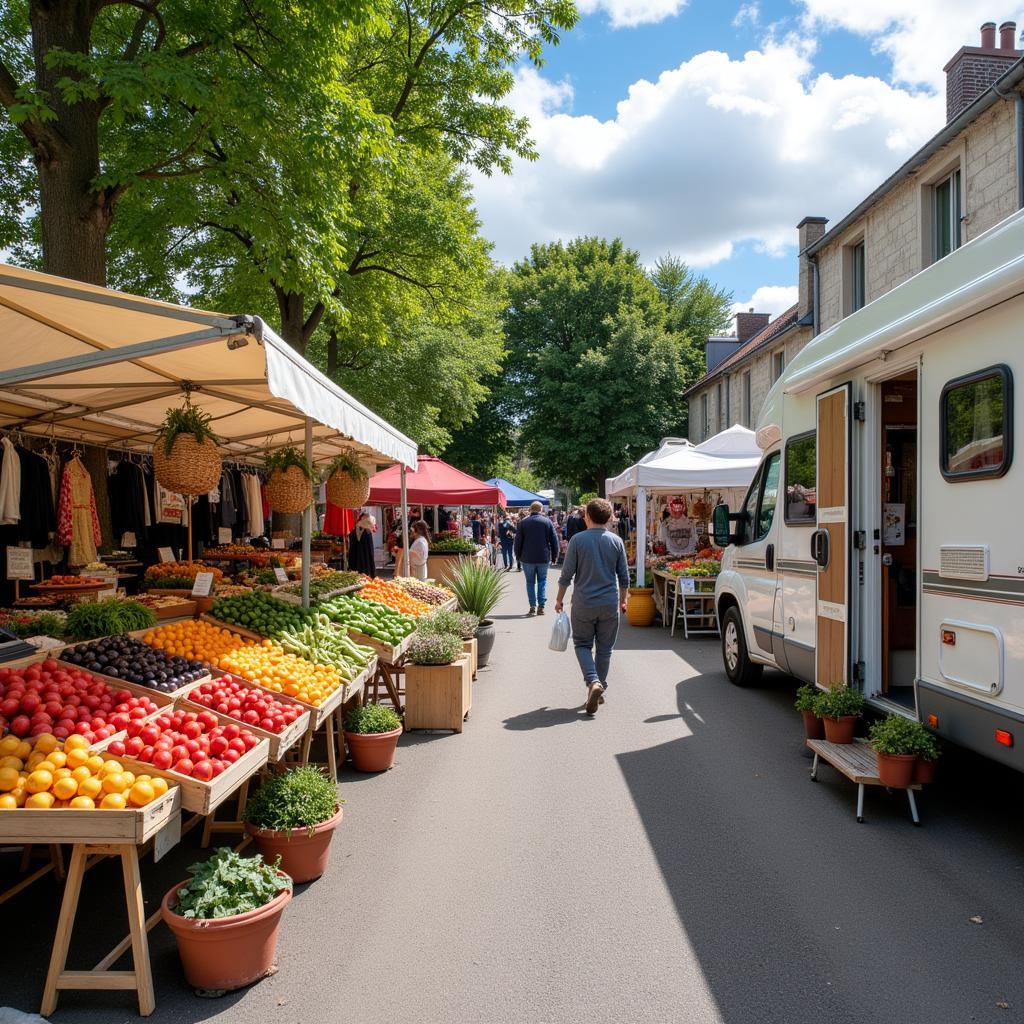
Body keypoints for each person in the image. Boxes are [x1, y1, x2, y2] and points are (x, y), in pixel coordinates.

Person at [555, 498, 629, 716]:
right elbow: (624, 578)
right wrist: (623, 600)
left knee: (582, 644)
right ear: (608, 518)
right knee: (605, 648)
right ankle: (600, 686)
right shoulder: (616, 541)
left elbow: (566, 576)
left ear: (587, 516)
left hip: (584, 603)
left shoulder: (577, 540)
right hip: (609, 603)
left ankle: (593, 682)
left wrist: (559, 600)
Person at [513, 500, 560, 616]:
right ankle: (541, 607)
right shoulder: (547, 522)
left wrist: (517, 555)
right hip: (543, 557)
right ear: (541, 510)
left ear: (530, 509)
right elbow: (554, 541)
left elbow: (518, 541)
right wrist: (554, 556)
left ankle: (532, 606)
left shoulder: (523, 522)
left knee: (530, 582)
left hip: (527, 557)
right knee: (542, 581)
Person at [347, 511, 377, 577]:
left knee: (358, 561)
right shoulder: (367, 531)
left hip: (357, 554)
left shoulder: (357, 530)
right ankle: (366, 575)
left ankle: (359, 574)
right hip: (362, 554)